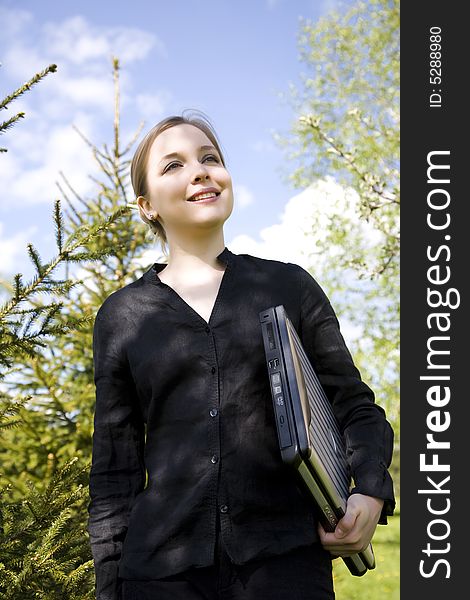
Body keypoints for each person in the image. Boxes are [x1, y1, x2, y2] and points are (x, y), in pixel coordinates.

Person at [87, 111, 395, 600]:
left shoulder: (287, 285)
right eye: (173, 165)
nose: (200, 171)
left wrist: (371, 489)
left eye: (210, 158)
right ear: (147, 206)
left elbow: (355, 405)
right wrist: (109, 589)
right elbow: (114, 469)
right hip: (159, 578)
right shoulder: (122, 316)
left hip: (285, 567)